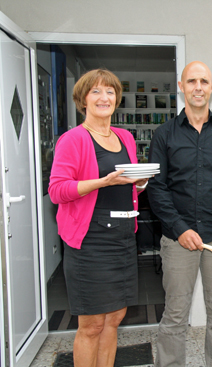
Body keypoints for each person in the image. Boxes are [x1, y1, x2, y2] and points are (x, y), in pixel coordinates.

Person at [148, 61, 212, 367]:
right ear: (181, 87)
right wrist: (179, 227)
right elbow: (157, 188)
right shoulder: (164, 135)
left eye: (204, 81)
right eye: (191, 81)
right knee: (176, 314)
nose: (198, 87)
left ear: (211, 87)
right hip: (177, 240)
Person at [49, 69, 148, 367]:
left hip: (122, 235)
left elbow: (126, 186)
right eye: (96, 91)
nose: (104, 97)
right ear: (83, 99)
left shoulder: (125, 137)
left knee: (114, 318)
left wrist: (140, 182)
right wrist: (102, 181)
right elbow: (57, 190)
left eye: (110, 91)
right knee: (91, 324)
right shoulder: (72, 139)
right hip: (90, 239)